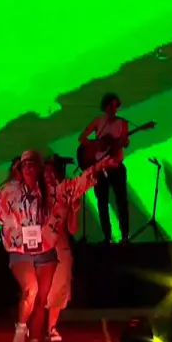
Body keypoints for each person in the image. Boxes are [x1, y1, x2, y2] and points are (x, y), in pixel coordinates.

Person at [0, 150, 114, 342]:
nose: (29, 168)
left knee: (42, 299)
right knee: (30, 289)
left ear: (40, 167)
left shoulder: (52, 190)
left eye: (33, 164)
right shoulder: (10, 191)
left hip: (45, 250)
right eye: (25, 164)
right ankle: (21, 325)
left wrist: (98, 167)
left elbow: (76, 185)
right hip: (20, 251)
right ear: (20, 168)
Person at [43, 155, 87, 342]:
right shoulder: (38, 195)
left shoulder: (65, 195)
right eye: (45, 173)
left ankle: (51, 328)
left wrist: (74, 210)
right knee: (38, 288)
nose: (48, 176)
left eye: (51, 173)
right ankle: (31, 325)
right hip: (41, 246)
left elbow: (73, 229)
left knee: (59, 288)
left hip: (61, 248)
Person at [78, 93, 130, 244]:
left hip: (116, 166)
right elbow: (82, 138)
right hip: (100, 168)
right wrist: (96, 144)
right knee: (102, 203)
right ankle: (107, 237)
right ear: (105, 107)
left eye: (116, 106)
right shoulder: (98, 122)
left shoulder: (123, 123)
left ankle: (124, 237)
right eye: (110, 106)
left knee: (121, 202)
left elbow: (125, 142)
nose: (113, 109)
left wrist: (123, 142)